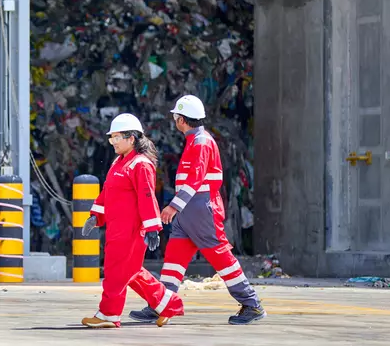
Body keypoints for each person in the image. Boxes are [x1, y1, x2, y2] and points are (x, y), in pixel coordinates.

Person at [130, 95, 266, 326]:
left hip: (201, 209)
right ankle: (160, 304)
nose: (174, 121)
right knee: (173, 260)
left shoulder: (201, 142)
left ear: (181, 119)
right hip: (190, 211)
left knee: (220, 256)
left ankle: (251, 304)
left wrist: (173, 206)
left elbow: (195, 179)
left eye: (175, 117)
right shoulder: (196, 140)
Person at [80, 114, 185, 328]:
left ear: (132, 138)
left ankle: (109, 314)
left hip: (131, 232)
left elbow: (147, 197)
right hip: (116, 229)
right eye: (112, 138)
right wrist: (95, 216)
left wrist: (153, 228)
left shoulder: (141, 164)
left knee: (115, 272)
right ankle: (169, 305)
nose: (113, 142)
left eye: (117, 137)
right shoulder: (118, 163)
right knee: (133, 273)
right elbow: (106, 193)